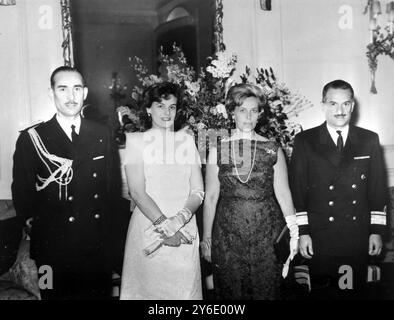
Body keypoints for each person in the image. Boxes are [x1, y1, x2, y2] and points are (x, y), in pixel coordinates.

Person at [11, 66, 121, 300]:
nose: (71, 96)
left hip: (96, 247)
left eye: (76, 89)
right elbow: (21, 192)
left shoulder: (102, 133)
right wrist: (35, 226)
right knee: (50, 295)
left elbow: (112, 189)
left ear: (86, 93)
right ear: (51, 94)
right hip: (50, 251)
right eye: (63, 89)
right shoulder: (32, 138)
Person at [289, 79, 388, 299]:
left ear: (353, 105)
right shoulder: (305, 141)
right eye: (333, 104)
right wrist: (303, 233)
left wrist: (376, 231)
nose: (340, 110)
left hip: (356, 234)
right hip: (320, 234)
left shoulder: (369, 140)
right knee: (324, 293)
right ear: (323, 105)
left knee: (352, 291)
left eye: (345, 104)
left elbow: (377, 189)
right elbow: (298, 191)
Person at [201, 83, 299, 300]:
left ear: (260, 114)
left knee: (268, 290)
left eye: (253, 110)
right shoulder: (219, 149)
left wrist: (294, 232)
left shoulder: (272, 149)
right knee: (231, 291)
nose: (248, 116)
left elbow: (283, 194)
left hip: (267, 233)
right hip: (227, 234)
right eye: (242, 110)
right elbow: (210, 197)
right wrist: (207, 237)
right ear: (232, 112)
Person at [120, 82, 204, 300]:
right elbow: (137, 192)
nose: (167, 113)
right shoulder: (136, 142)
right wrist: (166, 227)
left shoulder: (187, 141)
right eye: (160, 105)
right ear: (148, 109)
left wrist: (177, 222)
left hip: (184, 229)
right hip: (150, 228)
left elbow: (198, 191)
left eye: (172, 107)